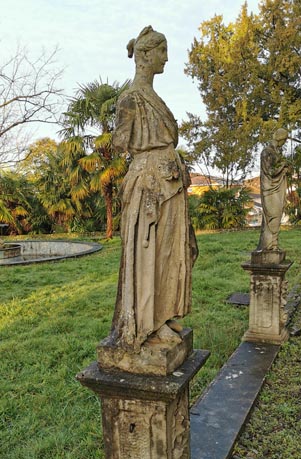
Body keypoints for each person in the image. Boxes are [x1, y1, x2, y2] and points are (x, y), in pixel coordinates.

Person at [110, 26, 197, 352]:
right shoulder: (131, 99)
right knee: (152, 253)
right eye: (162, 51)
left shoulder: (151, 98)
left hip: (168, 184)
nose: (167, 57)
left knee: (171, 251)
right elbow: (121, 142)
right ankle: (147, 324)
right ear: (145, 55)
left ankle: (163, 315)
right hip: (149, 186)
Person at [257, 128, 289, 251]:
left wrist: (284, 169)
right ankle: (268, 246)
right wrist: (283, 165)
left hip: (277, 188)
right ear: (280, 139)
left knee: (278, 214)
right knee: (272, 215)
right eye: (284, 140)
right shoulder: (266, 153)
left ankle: (274, 245)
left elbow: (278, 172)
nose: (284, 143)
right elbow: (270, 172)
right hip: (269, 190)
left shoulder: (276, 153)